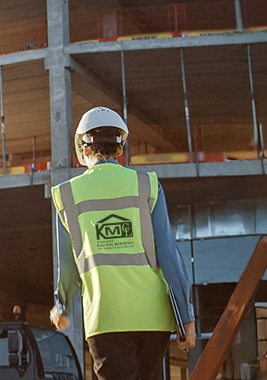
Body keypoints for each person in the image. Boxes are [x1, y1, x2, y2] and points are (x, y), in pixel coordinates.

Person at [50, 106, 197, 380]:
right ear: (120, 147)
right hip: (153, 318)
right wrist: (186, 318)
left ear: (82, 147)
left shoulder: (67, 195)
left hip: (107, 317)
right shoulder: (147, 184)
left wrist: (62, 306)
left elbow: (67, 266)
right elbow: (168, 254)